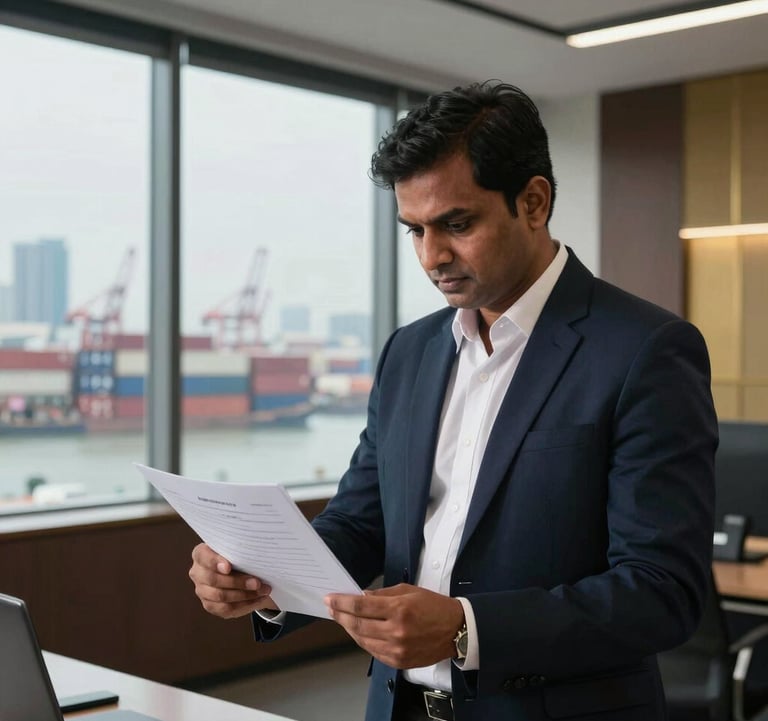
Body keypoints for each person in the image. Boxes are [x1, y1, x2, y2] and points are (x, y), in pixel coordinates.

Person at [189, 80, 718, 721]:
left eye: (456, 225)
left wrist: (467, 629)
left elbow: (663, 591)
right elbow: (360, 524)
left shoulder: (645, 350)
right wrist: (264, 578)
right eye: (414, 230)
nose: (432, 256)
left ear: (533, 202)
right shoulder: (408, 353)